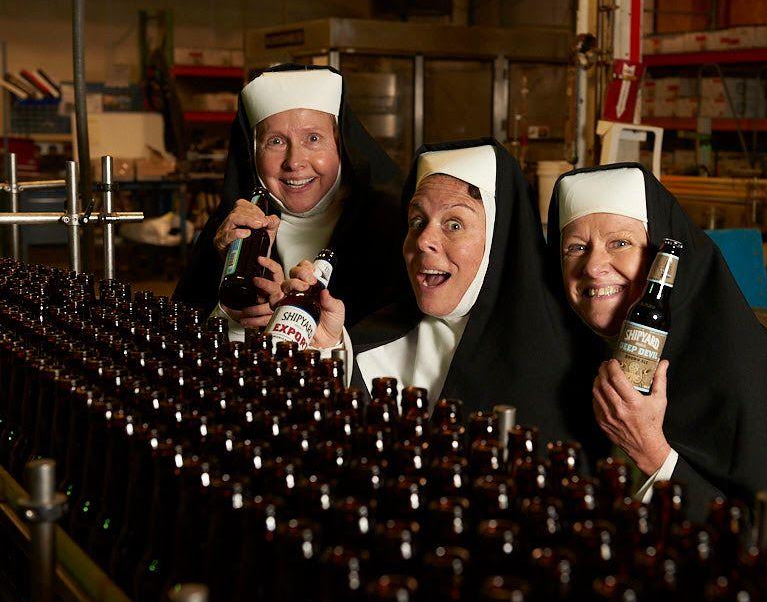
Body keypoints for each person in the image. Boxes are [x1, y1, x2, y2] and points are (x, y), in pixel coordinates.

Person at [545, 162, 767, 583]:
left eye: (620, 243)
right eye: (575, 248)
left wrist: (653, 454)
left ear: (662, 258)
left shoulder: (739, 363)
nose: (593, 266)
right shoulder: (571, 354)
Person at [278, 137, 601, 448]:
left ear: (498, 241)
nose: (423, 241)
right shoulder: (364, 337)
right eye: (417, 221)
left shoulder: (564, 369)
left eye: (454, 225)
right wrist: (327, 351)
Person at [173, 64, 406, 338]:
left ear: (341, 144)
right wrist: (232, 315)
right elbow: (181, 340)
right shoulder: (232, 229)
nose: (294, 162)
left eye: (313, 138)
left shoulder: (390, 226)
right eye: (276, 142)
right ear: (253, 153)